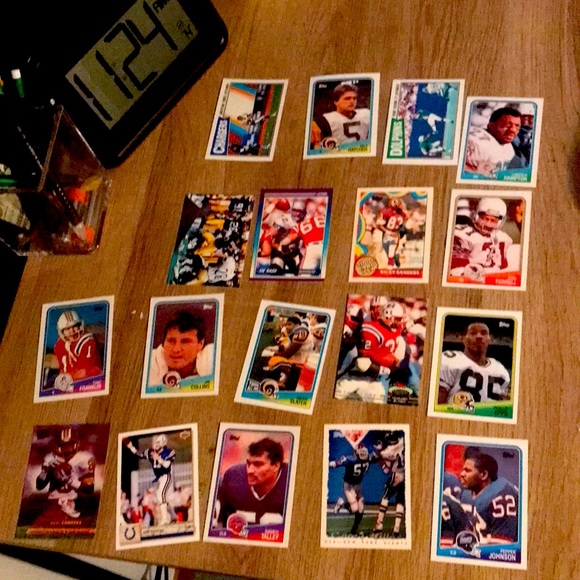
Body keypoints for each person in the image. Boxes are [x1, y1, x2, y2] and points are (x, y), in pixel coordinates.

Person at [334, 301, 407, 404]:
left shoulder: (396, 333)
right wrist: (386, 370)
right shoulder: (371, 329)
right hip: (352, 377)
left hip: (372, 380)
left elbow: (395, 362)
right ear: (389, 317)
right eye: (398, 319)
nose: (400, 322)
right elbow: (362, 364)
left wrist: (391, 363)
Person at [215, 438, 288, 529]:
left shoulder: (290, 482)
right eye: (248, 463)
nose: (250, 470)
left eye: (258, 464)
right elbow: (220, 525)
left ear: (276, 465)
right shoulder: (233, 478)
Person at [438, 322, 511, 407]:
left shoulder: (500, 369)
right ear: (463, 339)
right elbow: (438, 402)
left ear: (490, 339)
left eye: (483, 333)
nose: (479, 336)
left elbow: (503, 405)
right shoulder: (450, 360)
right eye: (473, 333)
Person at [459, 449, 519, 544]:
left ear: (483, 475)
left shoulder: (502, 497)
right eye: (463, 470)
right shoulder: (466, 494)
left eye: (467, 470)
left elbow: (502, 545)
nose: (462, 474)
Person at [35, 428, 96, 519]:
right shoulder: (50, 458)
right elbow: (39, 486)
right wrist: (46, 471)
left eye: (70, 445)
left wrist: (70, 480)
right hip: (53, 500)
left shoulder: (85, 458)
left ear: (77, 444)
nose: (67, 449)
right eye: (64, 446)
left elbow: (89, 489)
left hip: (75, 500)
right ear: (58, 447)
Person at [450, 197, 513, 281]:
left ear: (500, 222)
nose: (488, 224)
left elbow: (504, 268)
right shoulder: (463, 235)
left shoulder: (503, 238)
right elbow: (456, 270)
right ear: (476, 216)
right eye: (485, 218)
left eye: (493, 220)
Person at [148, 311, 214, 386]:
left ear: (200, 344)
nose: (176, 349)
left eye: (185, 342)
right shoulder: (149, 362)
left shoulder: (211, 357)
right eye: (171, 341)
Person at [124, 434, 176, 526]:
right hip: (160, 478)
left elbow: (167, 465)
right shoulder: (150, 452)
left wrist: (159, 459)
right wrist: (131, 447)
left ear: (163, 444)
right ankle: (172, 515)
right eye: (155, 442)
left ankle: (165, 518)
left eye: (158, 442)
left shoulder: (168, 452)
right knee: (160, 496)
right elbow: (139, 454)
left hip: (166, 476)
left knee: (161, 495)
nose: (155, 444)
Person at [464, 106, 527, 176]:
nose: (513, 130)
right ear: (492, 126)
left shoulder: (508, 146)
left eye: (517, 126)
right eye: (507, 125)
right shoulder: (476, 143)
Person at [261, 315, 315, 391]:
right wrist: (273, 348)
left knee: (275, 364)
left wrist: (271, 353)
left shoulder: (301, 331)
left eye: (289, 324)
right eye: (286, 324)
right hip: (296, 362)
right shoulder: (294, 333)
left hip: (301, 365)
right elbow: (286, 347)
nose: (287, 327)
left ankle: (279, 383)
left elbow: (288, 353)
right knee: (274, 361)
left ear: (298, 324)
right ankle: (281, 382)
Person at [311, 83, 370, 150]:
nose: (352, 101)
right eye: (347, 98)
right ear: (336, 102)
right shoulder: (323, 121)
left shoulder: (366, 114)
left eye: (354, 98)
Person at [52, 310, 102, 388]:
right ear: (62, 331)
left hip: (90, 381)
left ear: (80, 325)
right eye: (67, 328)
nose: (72, 331)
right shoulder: (59, 345)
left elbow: (83, 373)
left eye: (75, 326)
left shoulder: (87, 342)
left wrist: (64, 379)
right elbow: (62, 369)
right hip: (69, 381)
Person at [330, 444, 372, 535]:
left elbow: (379, 456)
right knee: (354, 509)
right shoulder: (351, 459)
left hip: (358, 485)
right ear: (356, 452)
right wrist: (331, 464)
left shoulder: (369, 459)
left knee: (361, 507)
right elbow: (337, 463)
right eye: (361, 451)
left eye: (364, 451)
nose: (363, 453)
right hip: (348, 486)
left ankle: (354, 529)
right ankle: (341, 502)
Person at [372, 432, 406, 537]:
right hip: (405, 475)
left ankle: (379, 524)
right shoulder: (403, 441)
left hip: (396, 475)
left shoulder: (388, 451)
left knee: (385, 497)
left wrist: (377, 452)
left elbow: (379, 458)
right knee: (400, 501)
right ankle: (396, 528)